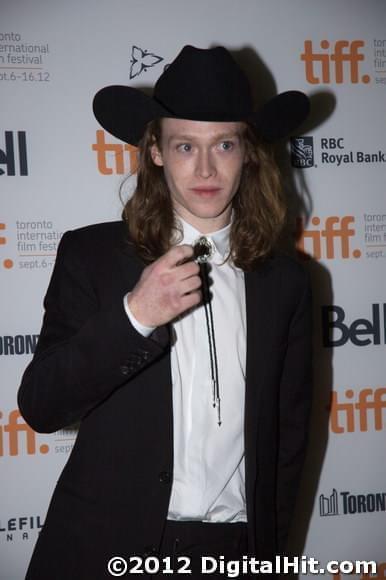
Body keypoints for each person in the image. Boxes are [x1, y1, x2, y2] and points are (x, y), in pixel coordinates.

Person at [18, 45, 312, 579]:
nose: (205, 168)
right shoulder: (93, 258)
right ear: (156, 151)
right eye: (184, 146)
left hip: (234, 554)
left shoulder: (286, 282)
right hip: (108, 549)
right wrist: (134, 315)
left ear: (248, 152)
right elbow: (42, 408)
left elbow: (287, 445)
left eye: (223, 144)